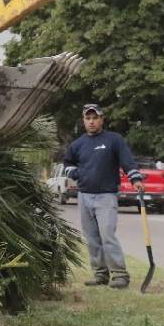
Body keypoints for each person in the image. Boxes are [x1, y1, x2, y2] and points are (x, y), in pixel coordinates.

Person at [63, 103, 145, 289]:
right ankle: (100, 274)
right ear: (84, 121)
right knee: (91, 237)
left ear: (102, 119)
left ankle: (120, 275)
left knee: (107, 235)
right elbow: (67, 163)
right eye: (88, 118)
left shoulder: (114, 140)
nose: (91, 122)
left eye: (95, 118)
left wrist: (136, 179)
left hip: (106, 196)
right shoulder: (77, 144)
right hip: (84, 196)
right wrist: (77, 174)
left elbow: (127, 161)